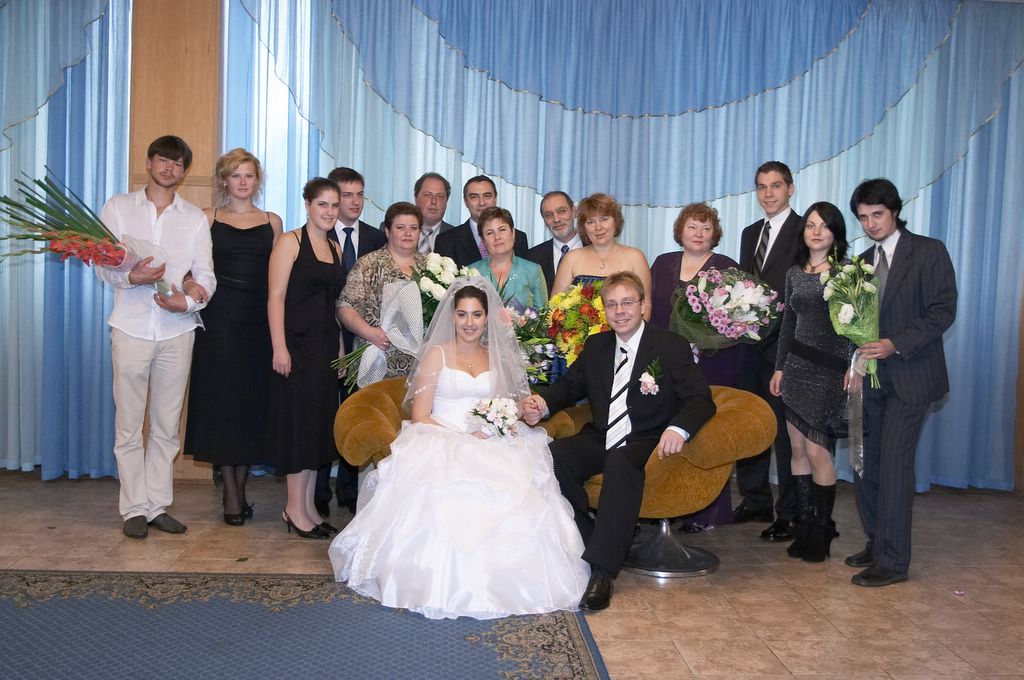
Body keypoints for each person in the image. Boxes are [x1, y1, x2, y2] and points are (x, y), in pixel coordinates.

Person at [329, 278, 590, 619]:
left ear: (487, 318)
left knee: (521, 489)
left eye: (476, 315)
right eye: (462, 314)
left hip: (488, 439)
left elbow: (504, 405)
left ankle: (508, 582)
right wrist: (464, 437)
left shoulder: (495, 357)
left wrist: (509, 416)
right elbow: (421, 416)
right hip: (439, 437)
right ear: (452, 316)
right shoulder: (436, 355)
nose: (469, 322)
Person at [524, 271, 716, 611]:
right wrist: (543, 403)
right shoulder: (597, 346)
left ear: (642, 305)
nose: (620, 311)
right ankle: (592, 539)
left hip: (647, 439)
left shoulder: (669, 346)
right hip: (602, 435)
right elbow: (569, 386)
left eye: (627, 302)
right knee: (553, 456)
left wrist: (678, 429)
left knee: (620, 462)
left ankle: (602, 573)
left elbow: (701, 399)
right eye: (612, 305)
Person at [96, 135, 216, 539]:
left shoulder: (193, 218)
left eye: (178, 163)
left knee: (166, 424)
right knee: (129, 423)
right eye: (164, 160)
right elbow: (102, 264)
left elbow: (206, 275)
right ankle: (133, 507)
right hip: (130, 326)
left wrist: (188, 301)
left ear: (184, 171)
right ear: (149, 163)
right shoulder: (118, 207)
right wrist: (132, 277)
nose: (170, 168)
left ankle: (157, 505)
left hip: (177, 330)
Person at [846, 179, 957, 587]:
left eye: (877, 214)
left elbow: (942, 311)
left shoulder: (928, 251)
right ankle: (878, 541)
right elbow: (853, 324)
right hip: (870, 380)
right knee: (865, 463)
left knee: (894, 465)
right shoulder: (860, 262)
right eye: (863, 217)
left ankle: (893, 562)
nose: (870, 224)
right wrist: (853, 364)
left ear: (894, 211)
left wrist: (895, 344)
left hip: (913, 376)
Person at [185, 148, 281, 526]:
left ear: (258, 181)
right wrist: (189, 283)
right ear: (224, 180)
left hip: (259, 323)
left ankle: (239, 490)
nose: (242, 182)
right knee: (223, 405)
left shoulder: (273, 221)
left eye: (249, 175)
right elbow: (187, 267)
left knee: (250, 405)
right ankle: (231, 493)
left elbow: (279, 278)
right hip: (220, 321)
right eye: (235, 175)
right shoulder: (206, 217)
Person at [649, 202, 743, 531]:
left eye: (705, 228)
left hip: (713, 365)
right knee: (669, 431)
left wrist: (706, 342)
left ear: (714, 233)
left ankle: (708, 512)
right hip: (667, 364)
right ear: (680, 231)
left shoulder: (727, 266)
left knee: (706, 436)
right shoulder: (662, 263)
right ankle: (670, 505)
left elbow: (737, 320)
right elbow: (650, 312)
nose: (699, 233)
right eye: (692, 227)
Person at [768, 202, 853, 562]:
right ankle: (803, 525)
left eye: (824, 226)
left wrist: (854, 365)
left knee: (818, 451)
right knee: (797, 449)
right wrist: (779, 368)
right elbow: (788, 325)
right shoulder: (794, 273)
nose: (816, 232)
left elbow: (856, 327)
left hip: (829, 371)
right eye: (810, 225)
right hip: (796, 368)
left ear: (836, 232)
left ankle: (821, 529)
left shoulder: (847, 272)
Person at [266, 178, 346, 540]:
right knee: (299, 428)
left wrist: (340, 346)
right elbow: (275, 297)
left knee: (317, 428)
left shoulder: (335, 246)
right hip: (295, 348)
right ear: (308, 205)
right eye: (322, 205)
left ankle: (308, 509)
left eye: (334, 205)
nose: (329, 212)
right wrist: (279, 347)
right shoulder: (290, 242)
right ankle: (293, 509)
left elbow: (333, 305)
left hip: (325, 348)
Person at [734, 161, 804, 541]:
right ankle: (755, 499)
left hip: (785, 348)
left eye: (776, 186)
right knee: (751, 424)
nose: (768, 193)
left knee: (786, 436)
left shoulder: (804, 230)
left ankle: (790, 512)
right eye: (761, 187)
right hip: (749, 347)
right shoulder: (750, 234)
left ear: (790, 188)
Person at [317, 167, 387, 519]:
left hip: (365, 341)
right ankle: (317, 492)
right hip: (321, 338)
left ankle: (348, 490)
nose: (355, 201)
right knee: (321, 412)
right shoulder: (317, 234)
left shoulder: (376, 237)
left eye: (360, 194)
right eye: (347, 195)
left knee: (356, 411)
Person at [337, 202, 427, 380]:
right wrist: (370, 333)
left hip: (421, 366)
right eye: (400, 227)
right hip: (377, 361)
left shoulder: (432, 267)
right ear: (387, 231)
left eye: (413, 228)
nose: (407, 233)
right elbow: (345, 308)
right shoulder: (367, 265)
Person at [549, 193, 652, 318]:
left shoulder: (636, 257)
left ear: (616, 221)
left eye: (604, 219)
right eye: (590, 222)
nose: (598, 227)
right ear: (583, 227)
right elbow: (554, 308)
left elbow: (646, 306)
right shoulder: (571, 259)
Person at [434, 175, 528, 267]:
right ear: (466, 201)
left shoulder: (519, 238)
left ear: (495, 199)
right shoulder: (446, 241)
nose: (482, 203)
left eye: (487, 196)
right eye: (474, 197)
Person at [469, 206, 547, 309]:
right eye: (489, 233)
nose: (497, 237)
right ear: (483, 240)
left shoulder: (533, 271)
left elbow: (542, 314)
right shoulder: (471, 272)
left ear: (513, 233)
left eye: (502, 230)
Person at [526, 190, 583, 287]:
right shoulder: (532, 258)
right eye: (549, 215)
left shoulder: (594, 249)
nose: (556, 219)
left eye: (562, 211)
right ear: (544, 220)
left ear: (573, 212)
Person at [413, 172, 456, 254]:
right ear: (416, 198)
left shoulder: (458, 238)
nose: (433, 201)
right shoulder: (396, 232)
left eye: (440, 196)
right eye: (427, 195)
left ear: (446, 201)